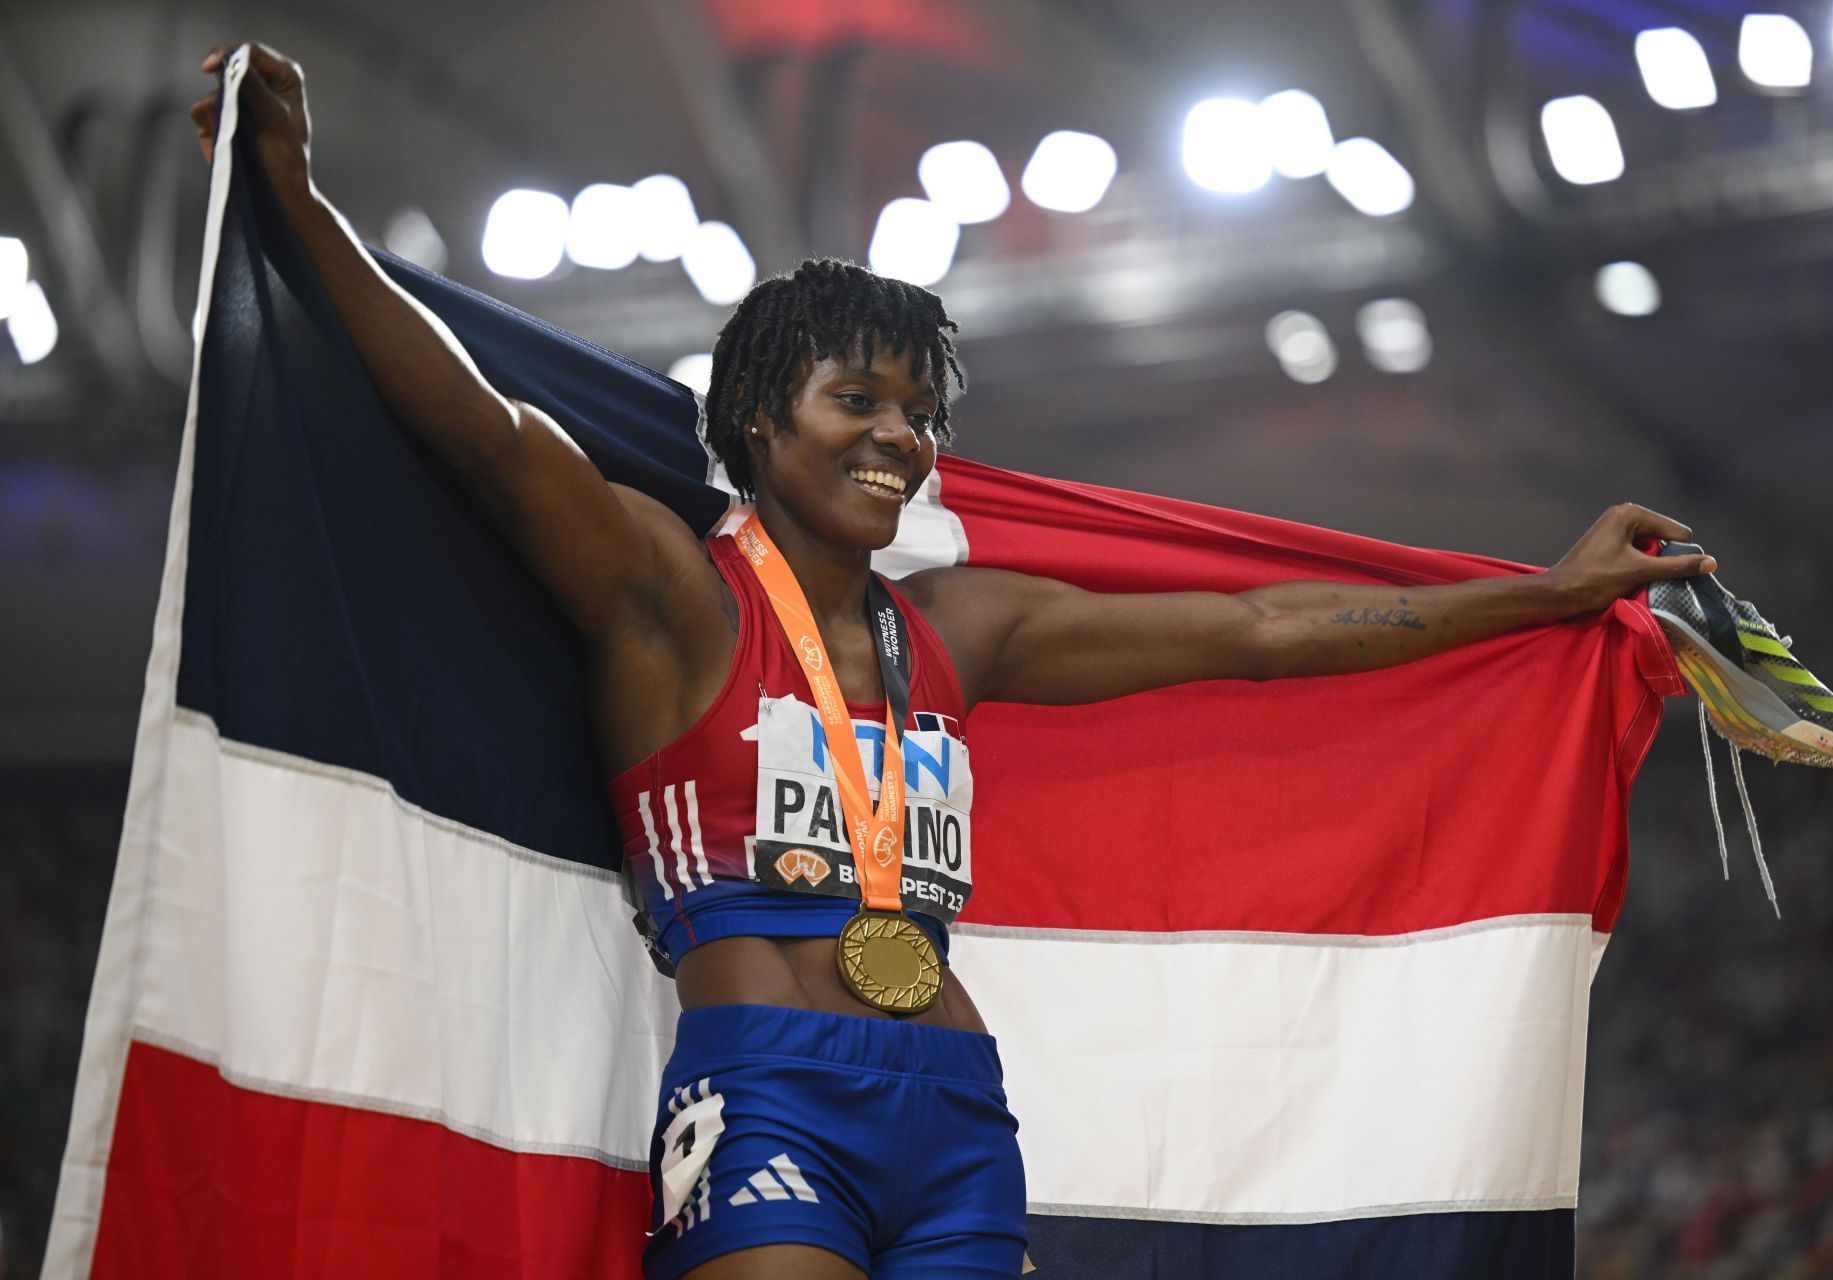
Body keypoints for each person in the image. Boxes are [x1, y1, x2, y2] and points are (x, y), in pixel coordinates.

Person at [191, 43, 1725, 1280]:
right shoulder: (670, 597)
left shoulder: (959, 631)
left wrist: (1543, 593)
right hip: (765, 1086)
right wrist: (298, 201)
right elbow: (484, 430)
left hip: (956, 1112)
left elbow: (1265, 630)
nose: (898, 437)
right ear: (755, 423)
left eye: (920, 413)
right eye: (857, 399)